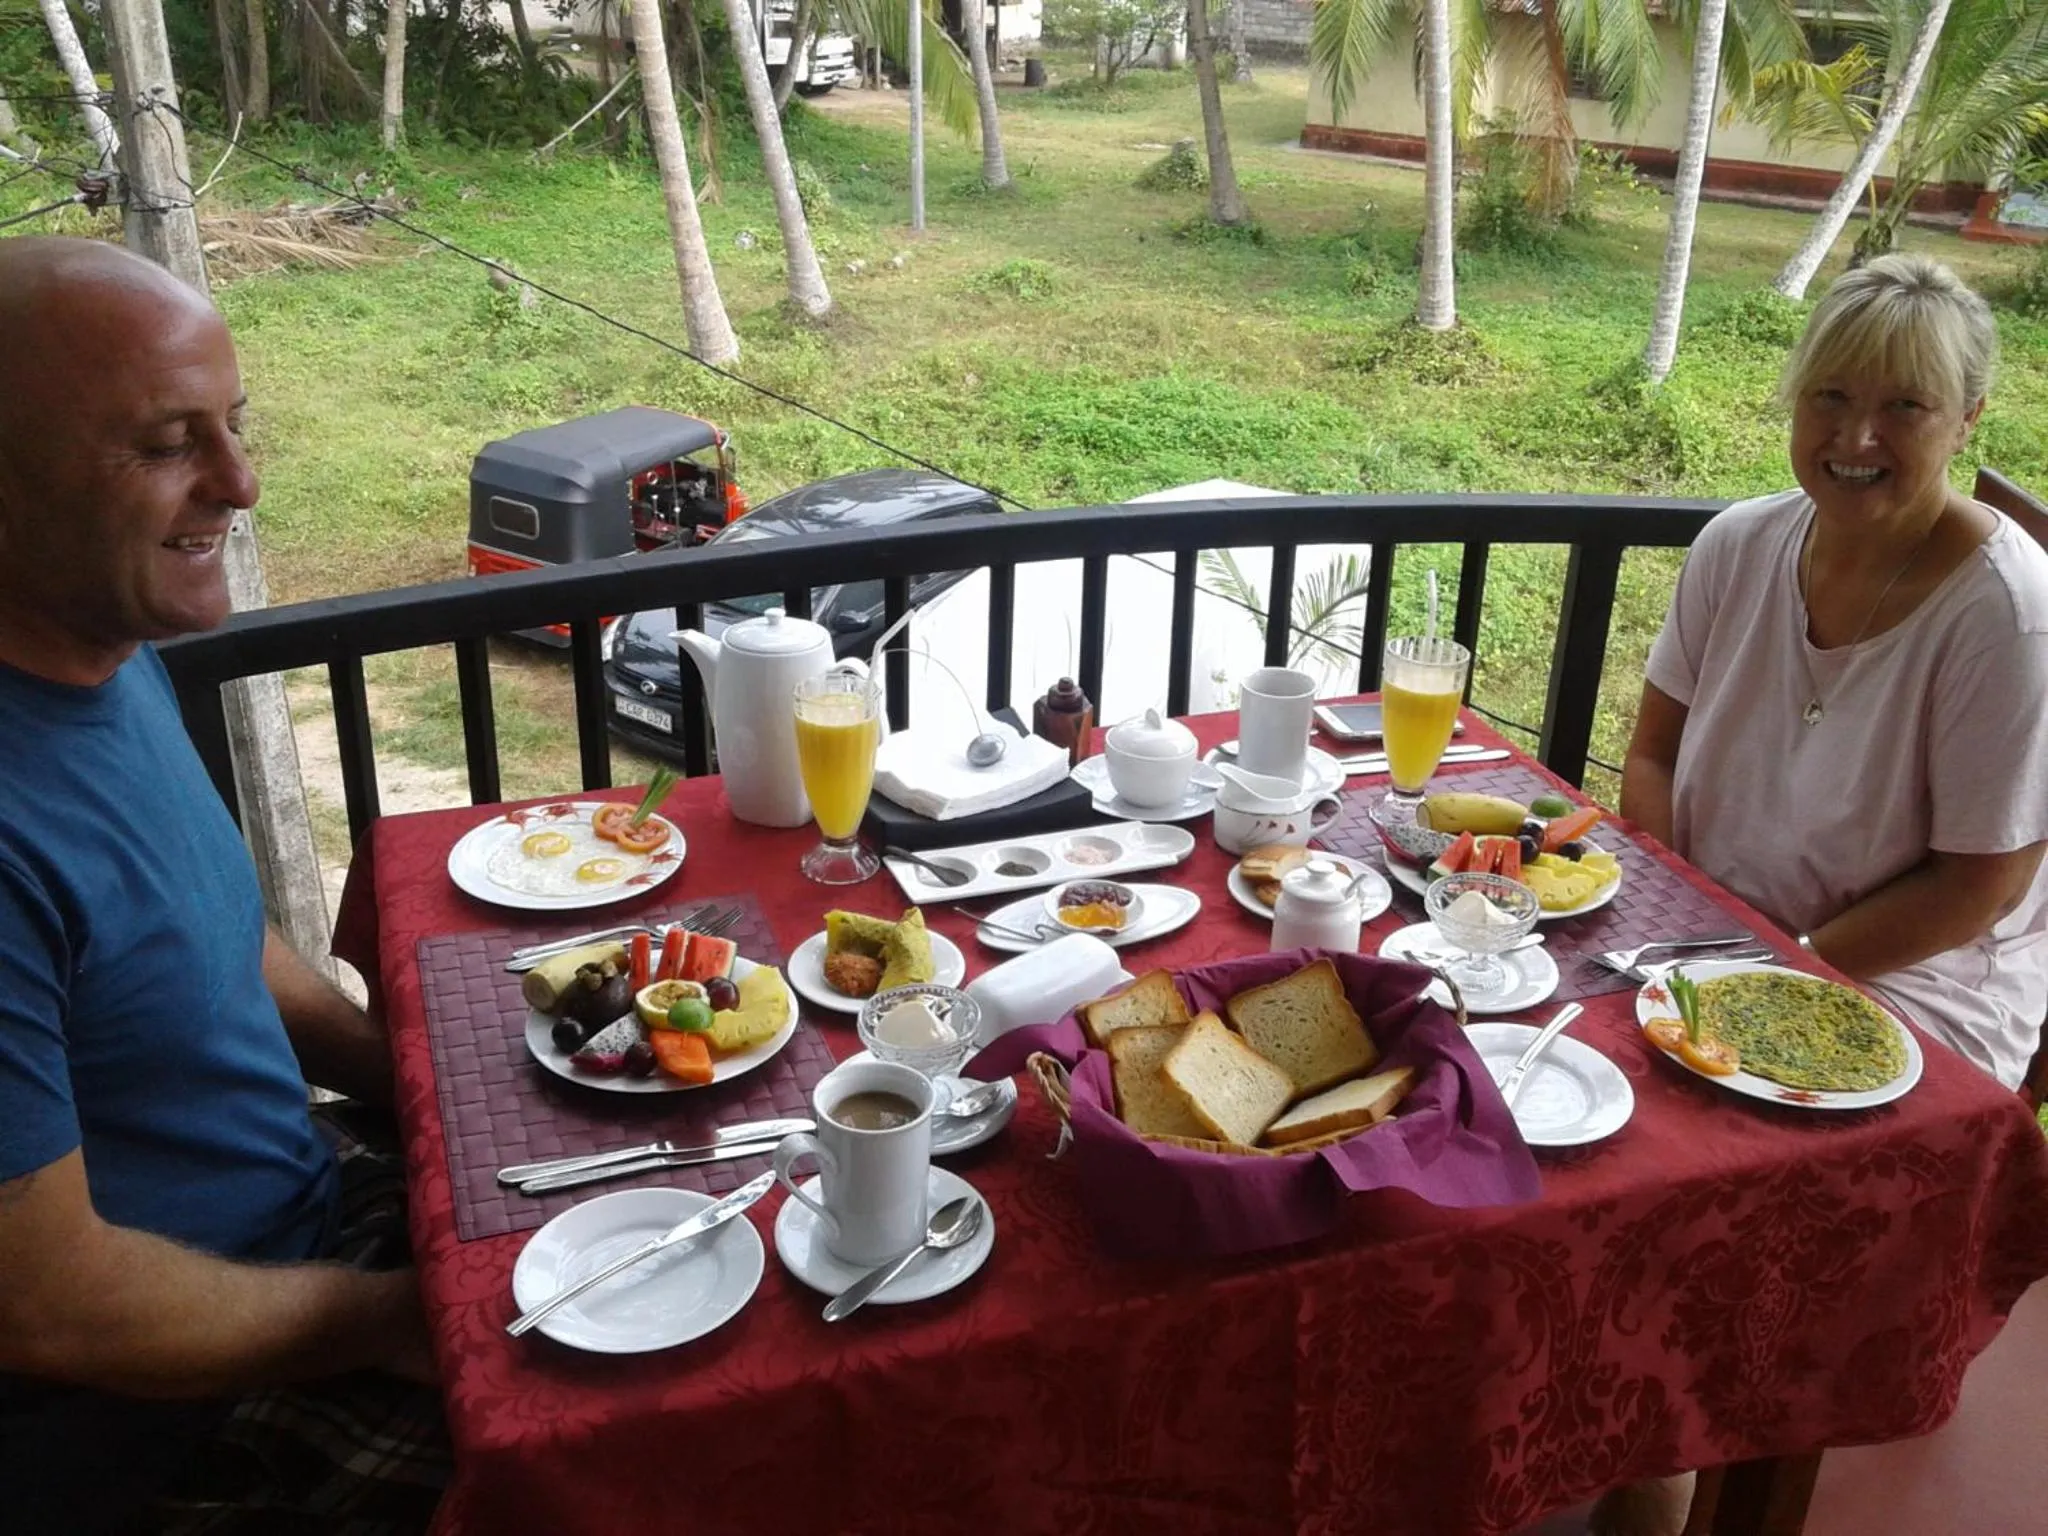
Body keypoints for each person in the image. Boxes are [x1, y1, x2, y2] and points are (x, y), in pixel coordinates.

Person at [0, 237, 447, 1534]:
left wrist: (421, 1095)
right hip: (154, 1420)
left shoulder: (100, 641)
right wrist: (386, 1319)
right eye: (162, 444)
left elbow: (225, 945)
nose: (241, 484)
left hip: (305, 1227)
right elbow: (51, 1301)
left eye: (234, 427)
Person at [1605, 256, 2048, 1536]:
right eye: (1828, 397)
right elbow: (1649, 755)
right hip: (1713, 923)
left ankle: (1695, 1431)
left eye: (1903, 409)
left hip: (1916, 975)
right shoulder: (1739, 543)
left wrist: (1775, 963)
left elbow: (1979, 884)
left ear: (1967, 424)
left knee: (1724, 1172)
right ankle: (1613, 1400)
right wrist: (1667, 907)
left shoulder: (2005, 619)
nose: (1854, 438)